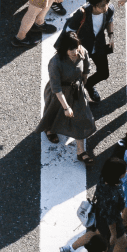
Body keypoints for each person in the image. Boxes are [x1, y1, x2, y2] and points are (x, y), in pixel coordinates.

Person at [40, 33, 97, 163]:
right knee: (54, 113)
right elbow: (56, 87)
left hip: (76, 90)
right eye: (70, 49)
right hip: (59, 92)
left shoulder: (81, 52)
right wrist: (66, 107)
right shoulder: (55, 62)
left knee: (81, 117)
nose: (75, 52)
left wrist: (82, 84)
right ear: (63, 49)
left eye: (76, 48)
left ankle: (80, 152)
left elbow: (86, 69)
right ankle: (49, 129)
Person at [65, 0, 116, 102]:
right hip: (82, 48)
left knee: (104, 73)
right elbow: (69, 30)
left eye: (107, 3)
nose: (106, 7)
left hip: (99, 45)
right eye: (102, 5)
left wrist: (111, 35)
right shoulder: (82, 13)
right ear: (93, 5)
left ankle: (89, 85)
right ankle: (76, 95)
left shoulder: (109, 9)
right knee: (79, 74)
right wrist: (74, 47)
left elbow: (109, 20)